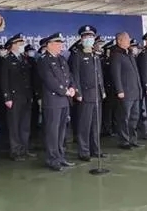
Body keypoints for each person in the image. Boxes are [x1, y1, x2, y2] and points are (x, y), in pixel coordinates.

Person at [37, 32, 76, 171]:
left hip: (64, 100)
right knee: (52, 132)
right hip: (53, 101)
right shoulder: (44, 60)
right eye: (58, 44)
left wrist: (72, 87)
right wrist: (64, 90)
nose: (61, 46)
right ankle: (52, 159)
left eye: (61, 44)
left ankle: (60, 157)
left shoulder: (61, 59)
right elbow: (49, 80)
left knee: (61, 131)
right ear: (49, 45)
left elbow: (69, 75)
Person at [70, 25, 105, 161]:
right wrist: (78, 93)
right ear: (81, 38)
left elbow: (99, 74)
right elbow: (75, 75)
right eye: (86, 37)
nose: (89, 39)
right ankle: (84, 151)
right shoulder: (77, 54)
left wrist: (102, 90)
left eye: (91, 36)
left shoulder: (95, 54)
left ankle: (96, 149)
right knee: (84, 125)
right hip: (85, 95)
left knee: (96, 125)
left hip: (97, 94)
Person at [0, 34, 33, 161]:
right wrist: (7, 97)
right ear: (13, 45)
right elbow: (4, 80)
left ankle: (24, 149)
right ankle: (15, 151)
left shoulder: (23, 58)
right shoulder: (7, 60)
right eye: (20, 44)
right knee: (14, 125)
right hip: (14, 98)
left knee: (25, 125)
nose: (22, 46)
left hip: (25, 96)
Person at [110, 32, 143, 150]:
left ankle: (132, 139)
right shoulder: (116, 55)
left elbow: (136, 73)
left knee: (134, 117)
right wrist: (119, 90)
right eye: (126, 39)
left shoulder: (129, 54)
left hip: (134, 91)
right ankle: (124, 141)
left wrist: (139, 88)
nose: (129, 41)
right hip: (125, 92)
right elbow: (116, 74)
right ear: (119, 41)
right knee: (124, 117)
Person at [101, 40, 116, 137]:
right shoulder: (103, 61)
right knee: (107, 110)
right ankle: (107, 128)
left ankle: (113, 127)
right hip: (107, 88)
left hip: (114, 89)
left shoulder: (113, 60)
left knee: (114, 109)